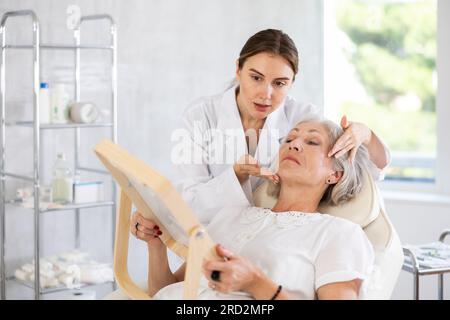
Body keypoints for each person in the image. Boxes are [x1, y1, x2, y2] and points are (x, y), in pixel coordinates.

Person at [133, 119, 375, 300]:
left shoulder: (338, 233)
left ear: (335, 174)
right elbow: (165, 291)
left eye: (312, 142)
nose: (294, 145)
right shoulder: (233, 214)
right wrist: (156, 243)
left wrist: (255, 282)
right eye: (289, 139)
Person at [170, 28, 390, 225]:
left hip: (275, 235)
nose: (266, 95)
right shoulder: (200, 116)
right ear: (238, 69)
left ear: (292, 82)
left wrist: (366, 135)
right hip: (212, 237)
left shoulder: (303, 118)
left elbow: (367, 167)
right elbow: (188, 204)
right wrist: (235, 176)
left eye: (279, 83)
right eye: (256, 78)